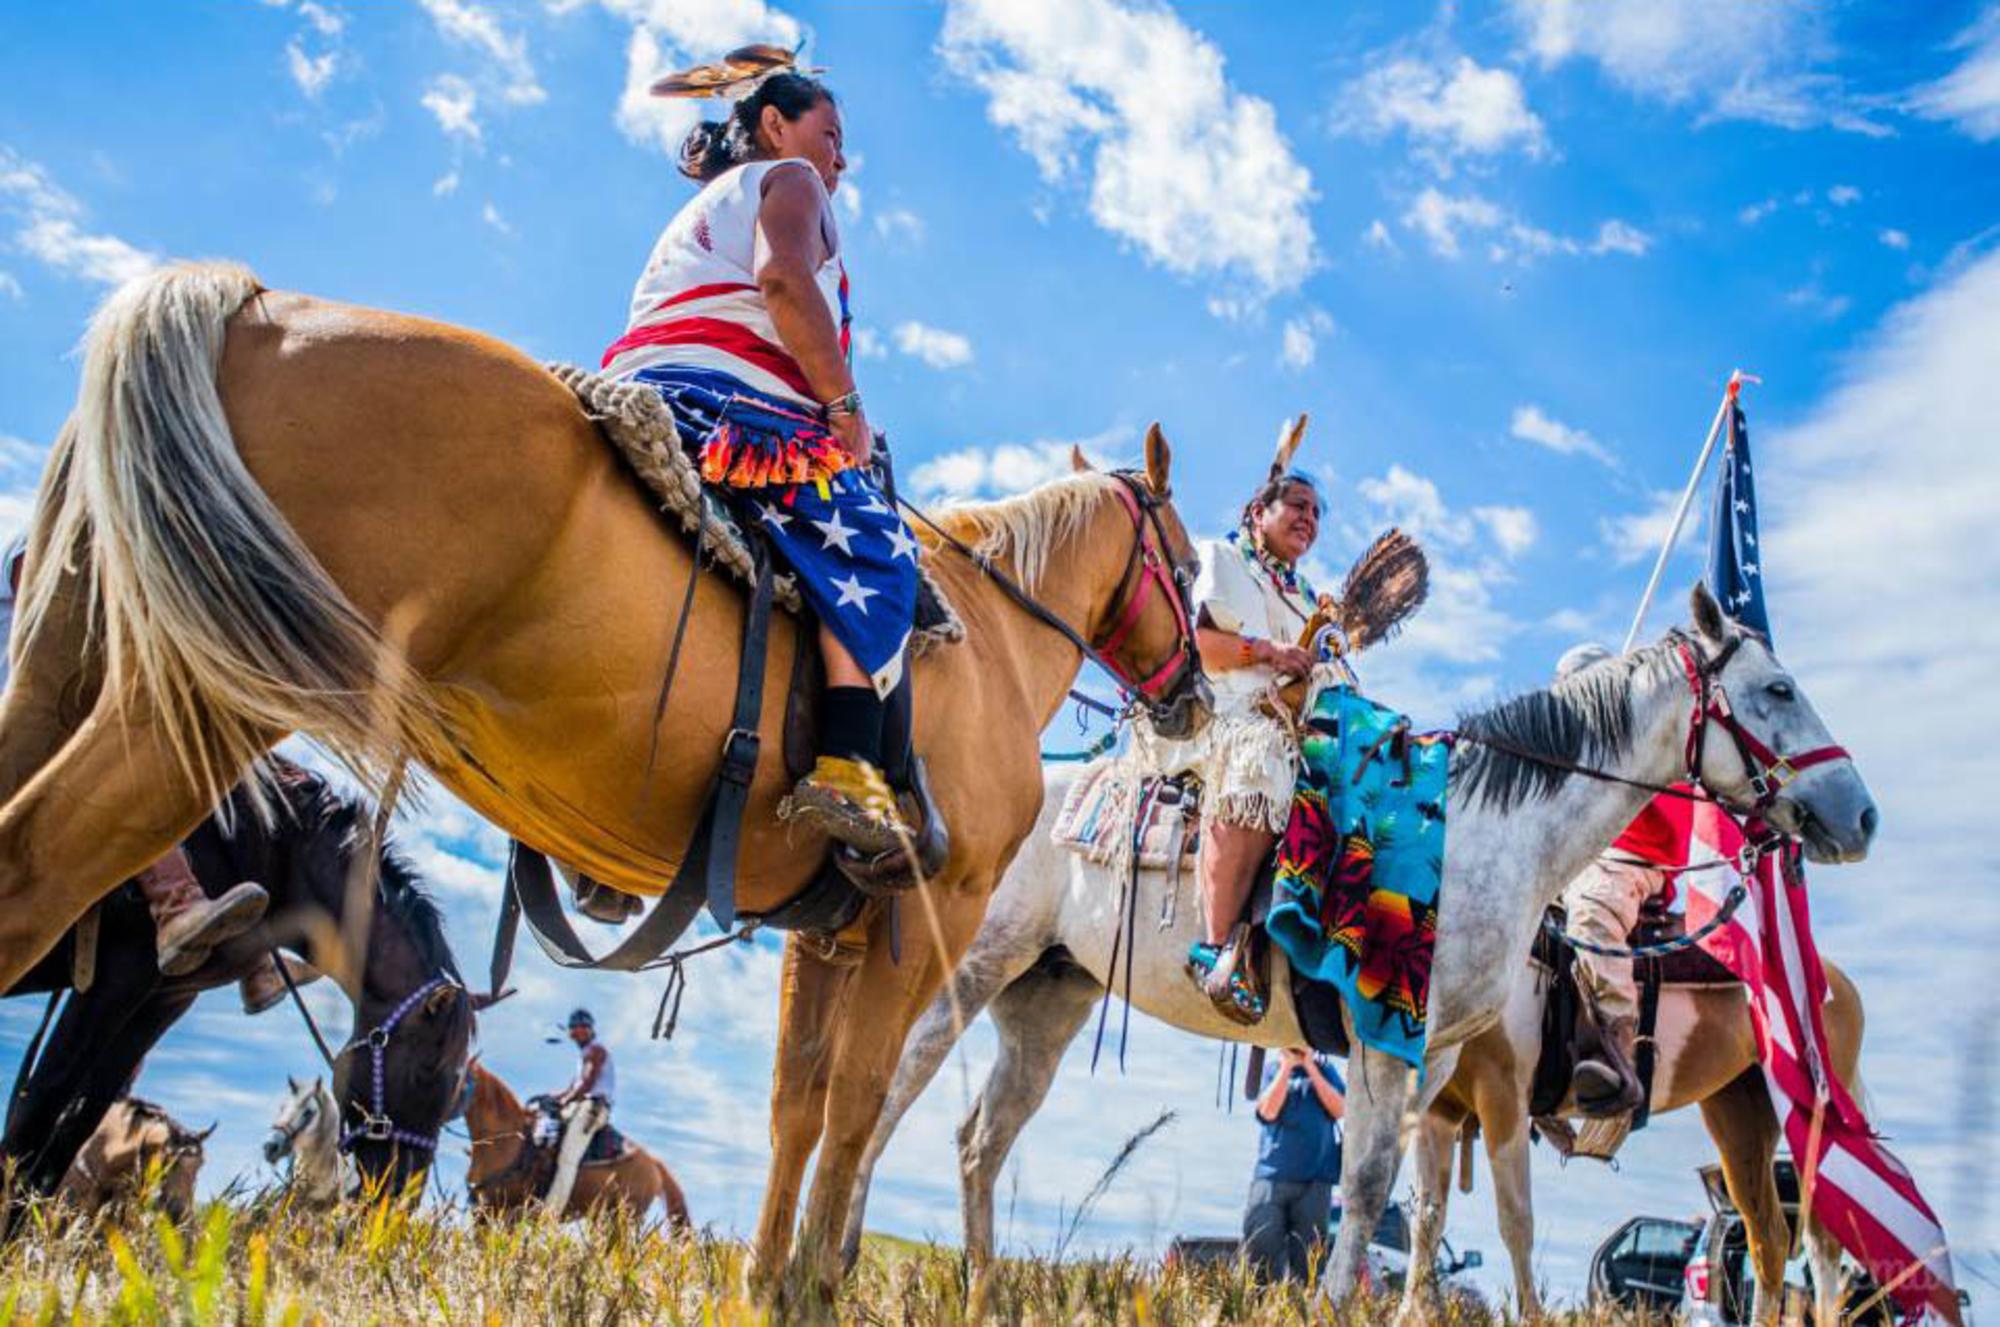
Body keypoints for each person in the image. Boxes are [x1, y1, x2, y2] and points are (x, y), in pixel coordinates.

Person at [603, 50, 920, 856]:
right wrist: (844, 407)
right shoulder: (793, 183)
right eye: (832, 134)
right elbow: (783, 282)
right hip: (728, 407)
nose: (841, 158)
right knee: (880, 551)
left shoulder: (707, 204)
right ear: (776, 125)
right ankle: (848, 764)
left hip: (644, 383)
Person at [0, 534, 283, 1011]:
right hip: (24, 730)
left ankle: (254, 958)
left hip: (58, 720)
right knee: (133, 764)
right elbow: (58, 600)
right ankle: (177, 905)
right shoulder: (43, 544)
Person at [1145, 424, 1323, 1024]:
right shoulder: (1221, 559)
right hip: (1221, 715)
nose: (1309, 519)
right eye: (1297, 506)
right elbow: (1201, 645)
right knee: (1261, 754)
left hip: (1296, 720)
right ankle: (1217, 947)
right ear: (1257, 511)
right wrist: (1273, 655)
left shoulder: (1309, 596)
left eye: (1317, 513)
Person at [1553, 642, 1682, 1114]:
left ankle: (1612, 1044)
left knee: (1591, 914)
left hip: (1630, 857)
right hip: (1572, 860)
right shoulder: (1570, 744)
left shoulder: (1641, 731)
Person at [1243, 1047, 1345, 1284]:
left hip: (1315, 1181)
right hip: (1271, 1178)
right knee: (1261, 1247)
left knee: (1308, 1261)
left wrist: (1311, 1067)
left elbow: (1340, 1109)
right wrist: (1286, 1067)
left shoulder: (1326, 1070)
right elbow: (1268, 1112)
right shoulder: (1272, 1070)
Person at [538, 1006, 618, 1215]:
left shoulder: (596, 1050)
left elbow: (588, 1084)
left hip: (593, 1107)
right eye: (574, 1027)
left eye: (582, 1027)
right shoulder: (584, 1054)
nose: (577, 1031)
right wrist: (554, 1096)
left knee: (568, 1158)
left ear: (590, 1030)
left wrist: (566, 1099)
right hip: (581, 1103)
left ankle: (550, 1214)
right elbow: (574, 1086)